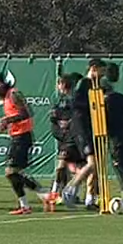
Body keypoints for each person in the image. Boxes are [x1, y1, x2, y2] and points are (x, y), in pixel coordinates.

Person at [0, 71, 48, 215]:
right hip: (16, 137)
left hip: (23, 137)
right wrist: (6, 124)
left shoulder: (14, 94)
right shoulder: (6, 98)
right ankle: (27, 204)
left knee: (10, 172)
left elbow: (27, 113)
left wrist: (7, 120)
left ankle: (42, 193)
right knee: (15, 173)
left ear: (1, 83)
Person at [62, 59, 107, 209]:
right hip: (82, 128)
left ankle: (90, 199)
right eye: (102, 70)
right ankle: (70, 189)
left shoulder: (96, 85)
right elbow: (76, 104)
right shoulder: (84, 83)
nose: (103, 74)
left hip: (93, 127)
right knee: (92, 163)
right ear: (94, 69)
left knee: (96, 165)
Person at [48, 74, 84, 203]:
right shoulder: (58, 99)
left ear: (63, 84)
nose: (58, 86)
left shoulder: (74, 99)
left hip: (72, 137)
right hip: (63, 137)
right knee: (70, 167)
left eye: (59, 84)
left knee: (66, 165)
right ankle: (63, 192)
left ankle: (58, 192)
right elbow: (53, 117)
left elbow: (77, 115)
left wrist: (68, 122)